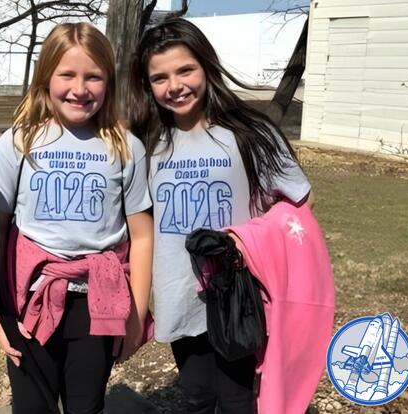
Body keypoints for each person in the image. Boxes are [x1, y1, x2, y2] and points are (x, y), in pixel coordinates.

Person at [129, 18, 313, 414]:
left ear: (207, 67)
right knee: (196, 395)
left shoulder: (251, 132)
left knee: (236, 400)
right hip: (179, 293)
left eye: (185, 70)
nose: (174, 85)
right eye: (159, 77)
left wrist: (249, 240)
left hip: (238, 297)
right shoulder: (145, 141)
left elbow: (299, 203)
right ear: (147, 85)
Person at [0, 22, 153, 414]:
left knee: (87, 406)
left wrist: (137, 315)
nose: (80, 89)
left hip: (99, 304)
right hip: (31, 300)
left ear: (108, 82)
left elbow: (143, 237)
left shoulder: (126, 147)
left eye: (93, 76)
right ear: (46, 77)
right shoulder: (18, 141)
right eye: (67, 74)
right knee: (32, 408)